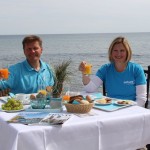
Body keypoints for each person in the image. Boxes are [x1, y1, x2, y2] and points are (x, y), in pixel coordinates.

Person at [79, 36, 146, 107]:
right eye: (115, 50)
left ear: (127, 52)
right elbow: (90, 89)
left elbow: (141, 99)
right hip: (111, 109)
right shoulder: (105, 69)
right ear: (111, 52)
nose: (118, 54)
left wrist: (129, 111)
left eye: (122, 50)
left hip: (131, 110)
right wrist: (84, 73)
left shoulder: (136, 69)